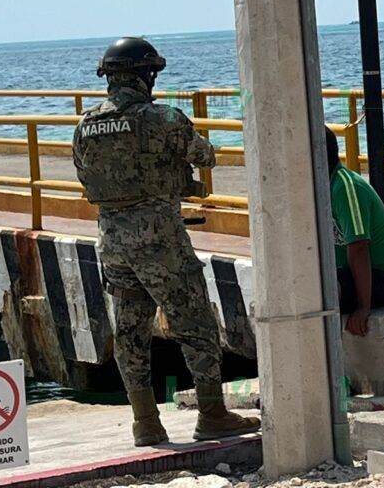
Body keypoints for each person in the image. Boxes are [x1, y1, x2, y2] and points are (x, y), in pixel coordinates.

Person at [72, 37, 260, 447]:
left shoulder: (86, 125)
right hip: (160, 240)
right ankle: (212, 415)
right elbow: (204, 156)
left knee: (130, 332)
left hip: (112, 242)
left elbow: (87, 179)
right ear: (146, 75)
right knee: (195, 322)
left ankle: (145, 423)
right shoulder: (164, 118)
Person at [325, 127, 384, 336]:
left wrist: (363, 307)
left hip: (382, 278)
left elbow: (359, 247)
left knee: (320, 291)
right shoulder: (320, 187)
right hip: (346, 273)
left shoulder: (344, 187)